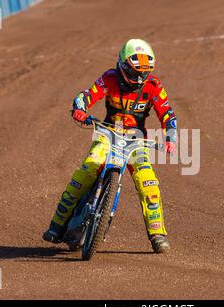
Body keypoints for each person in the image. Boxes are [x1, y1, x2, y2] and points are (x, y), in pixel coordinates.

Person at [42, 39, 177, 253]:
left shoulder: (154, 86)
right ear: (123, 66)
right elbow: (87, 95)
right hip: (107, 133)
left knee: (148, 183)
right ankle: (56, 225)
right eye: (135, 72)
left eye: (144, 72)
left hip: (136, 140)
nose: (140, 78)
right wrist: (80, 107)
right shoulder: (109, 78)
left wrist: (170, 135)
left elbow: (167, 113)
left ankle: (157, 234)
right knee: (88, 168)